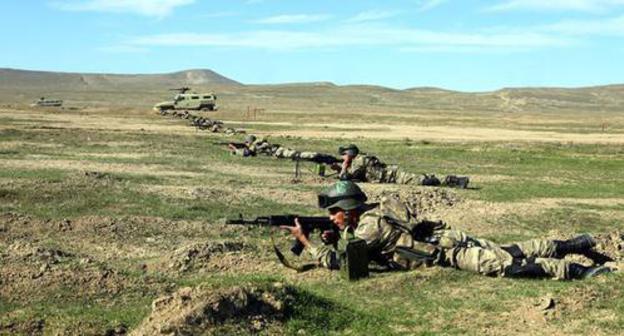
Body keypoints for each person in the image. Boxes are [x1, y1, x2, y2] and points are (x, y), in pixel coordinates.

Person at [280, 181, 613, 280]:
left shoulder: (368, 228)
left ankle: (581, 272)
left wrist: (307, 242)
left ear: (349, 210)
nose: (333, 217)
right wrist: (336, 234)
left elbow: (344, 265)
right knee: (512, 250)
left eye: (336, 213)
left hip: (448, 253)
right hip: (449, 238)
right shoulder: (375, 212)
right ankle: (574, 243)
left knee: (506, 266)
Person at [334, 144, 469, 188]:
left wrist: (344, 166)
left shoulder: (358, 161)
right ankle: (458, 180)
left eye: (344, 155)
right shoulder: (360, 159)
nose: (343, 157)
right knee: (425, 177)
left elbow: (346, 179)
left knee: (425, 181)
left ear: (349, 154)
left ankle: (457, 181)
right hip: (393, 174)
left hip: (394, 178)